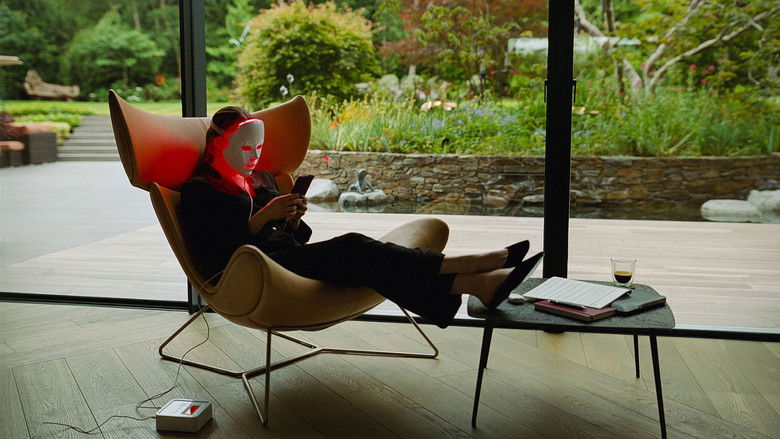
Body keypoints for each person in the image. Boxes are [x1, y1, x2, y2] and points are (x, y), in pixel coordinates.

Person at [179, 106, 543, 328]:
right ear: (219, 145)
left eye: (258, 147)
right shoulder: (200, 191)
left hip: (285, 259)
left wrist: (292, 217)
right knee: (354, 247)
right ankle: (472, 266)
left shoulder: (259, 179)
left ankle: (478, 283)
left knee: (369, 264)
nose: (254, 156)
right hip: (251, 272)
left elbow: (296, 238)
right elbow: (222, 252)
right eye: (245, 147)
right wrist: (262, 217)